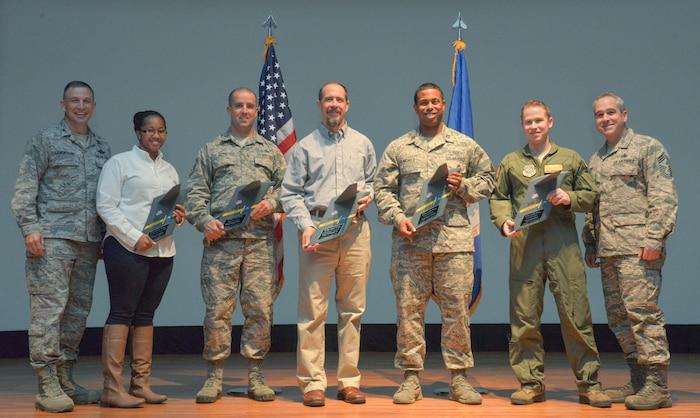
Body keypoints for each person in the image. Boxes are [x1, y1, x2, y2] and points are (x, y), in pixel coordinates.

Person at [374, 82, 495, 406]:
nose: (429, 107)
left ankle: (459, 379)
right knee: (408, 313)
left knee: (457, 313)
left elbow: (488, 180)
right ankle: (411, 379)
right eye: (423, 103)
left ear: (443, 105)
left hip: (453, 243)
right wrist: (398, 217)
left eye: (435, 102)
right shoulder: (399, 148)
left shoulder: (464, 145)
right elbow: (381, 190)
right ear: (415, 108)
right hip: (410, 244)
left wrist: (464, 185)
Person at [488, 100, 610, 408]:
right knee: (524, 318)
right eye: (528, 122)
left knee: (575, 316)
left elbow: (592, 194)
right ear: (522, 126)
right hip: (525, 245)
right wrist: (504, 221)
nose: (534, 126)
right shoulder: (512, 161)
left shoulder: (570, 158)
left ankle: (589, 383)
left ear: (550, 122)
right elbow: (499, 197)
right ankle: (531, 383)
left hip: (562, 244)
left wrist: (569, 197)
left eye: (539, 120)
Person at [11, 81, 111, 413]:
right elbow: (26, 186)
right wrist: (30, 228)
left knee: (77, 313)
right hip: (51, 239)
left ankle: (66, 376)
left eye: (86, 101)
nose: (80, 106)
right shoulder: (45, 140)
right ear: (63, 105)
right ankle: (47, 382)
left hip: (88, 242)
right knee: (48, 311)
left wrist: (103, 233)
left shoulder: (101, 148)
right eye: (74, 101)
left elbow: (104, 198)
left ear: (93, 106)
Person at [185, 87, 286, 404]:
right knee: (217, 312)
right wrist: (204, 221)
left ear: (257, 111)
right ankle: (214, 376)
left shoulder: (270, 151)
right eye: (238, 106)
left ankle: (256, 376)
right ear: (228, 110)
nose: (244, 111)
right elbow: (194, 196)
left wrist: (272, 203)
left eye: (250, 106)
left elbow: (290, 189)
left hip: (260, 244)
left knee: (259, 310)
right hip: (221, 244)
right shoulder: (211, 150)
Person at [280, 82, 376, 407]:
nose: (333, 104)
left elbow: (374, 181)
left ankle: (349, 381)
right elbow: (290, 192)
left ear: (347, 104)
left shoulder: (363, 143)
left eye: (339, 99)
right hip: (317, 232)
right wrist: (305, 225)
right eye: (328, 99)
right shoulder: (304, 147)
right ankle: (312, 383)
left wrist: (368, 197)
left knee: (352, 310)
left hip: (354, 232)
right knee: (312, 312)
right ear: (318, 104)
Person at [582, 93, 677, 411]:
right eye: (599, 114)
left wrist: (654, 239)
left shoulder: (648, 147)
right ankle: (638, 379)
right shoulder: (597, 159)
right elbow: (592, 207)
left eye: (611, 113)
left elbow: (663, 195)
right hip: (609, 250)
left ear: (624, 115)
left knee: (643, 315)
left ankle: (657, 386)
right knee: (619, 319)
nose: (605, 118)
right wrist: (591, 243)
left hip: (638, 249)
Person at [96, 111, 186, 408]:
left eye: (161, 130)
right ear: (138, 132)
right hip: (126, 249)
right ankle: (112, 388)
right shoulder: (119, 163)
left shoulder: (170, 170)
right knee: (122, 312)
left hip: (162, 250)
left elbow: (166, 210)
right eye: (149, 130)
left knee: (146, 316)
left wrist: (178, 217)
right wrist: (133, 236)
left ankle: (140, 384)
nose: (156, 136)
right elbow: (106, 206)